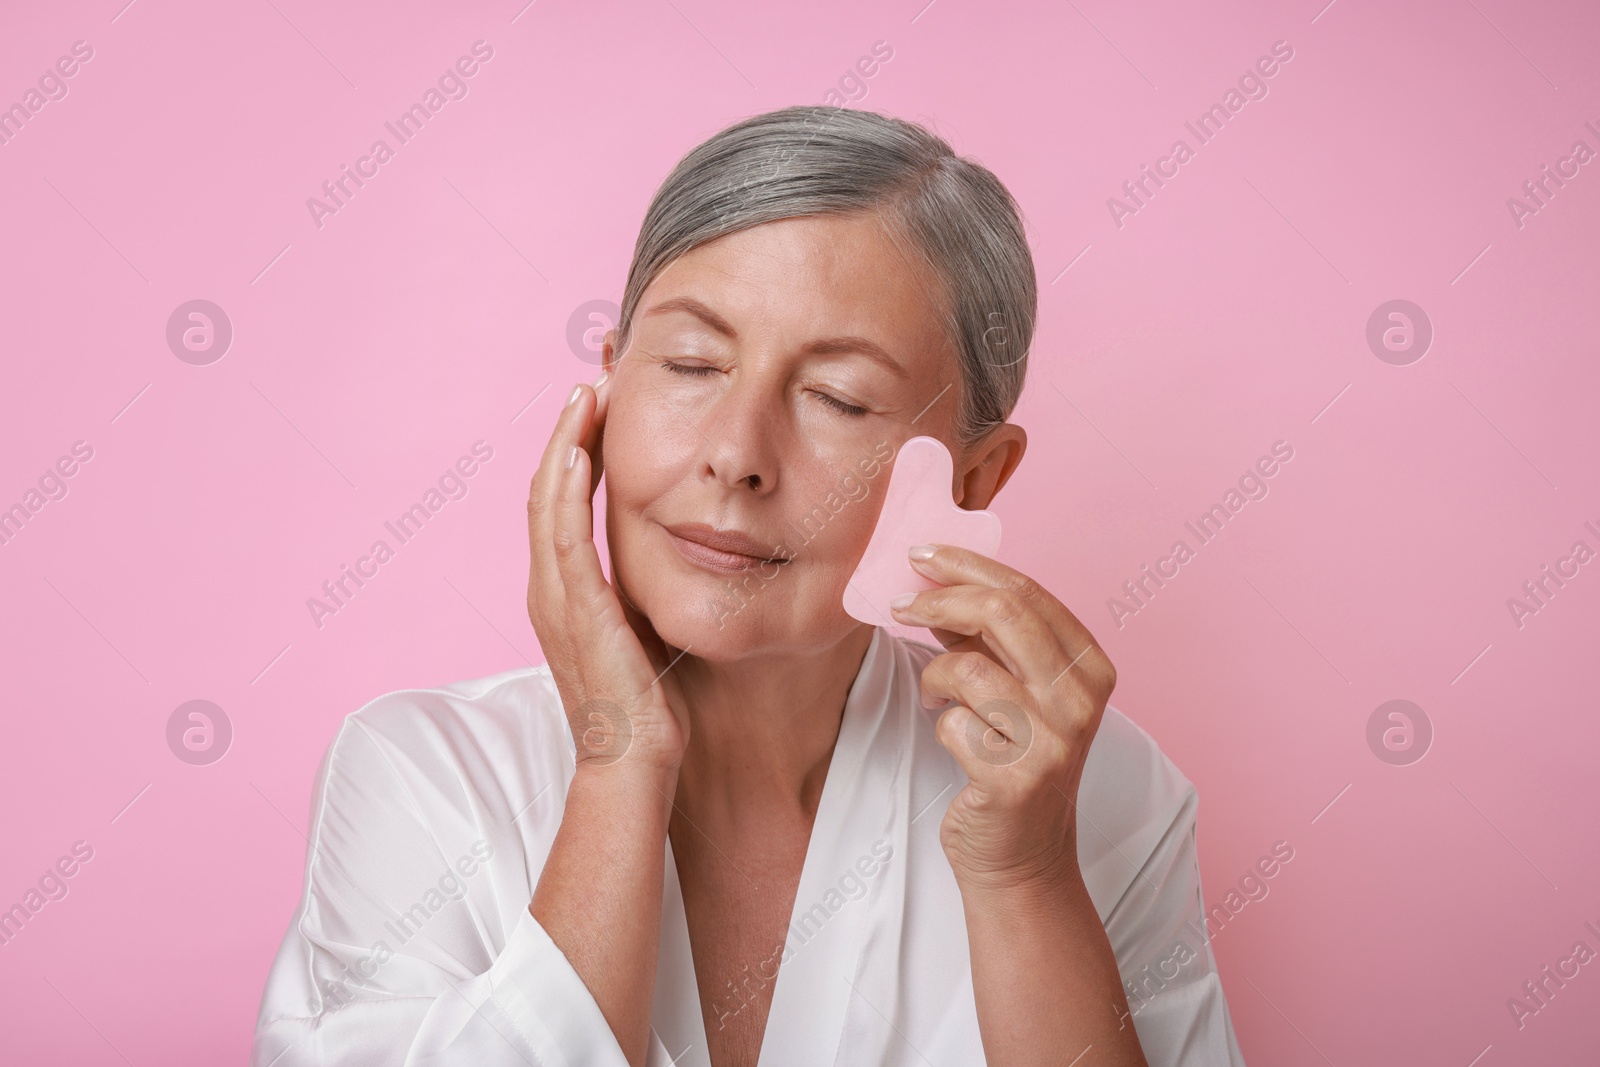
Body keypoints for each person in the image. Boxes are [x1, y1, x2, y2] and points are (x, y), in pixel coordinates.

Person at [252, 105, 1247, 1067]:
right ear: (605, 390)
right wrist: (618, 765)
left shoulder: (1103, 793)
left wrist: (1025, 878)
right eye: (690, 363)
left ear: (973, 478)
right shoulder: (425, 776)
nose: (735, 454)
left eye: (836, 397)